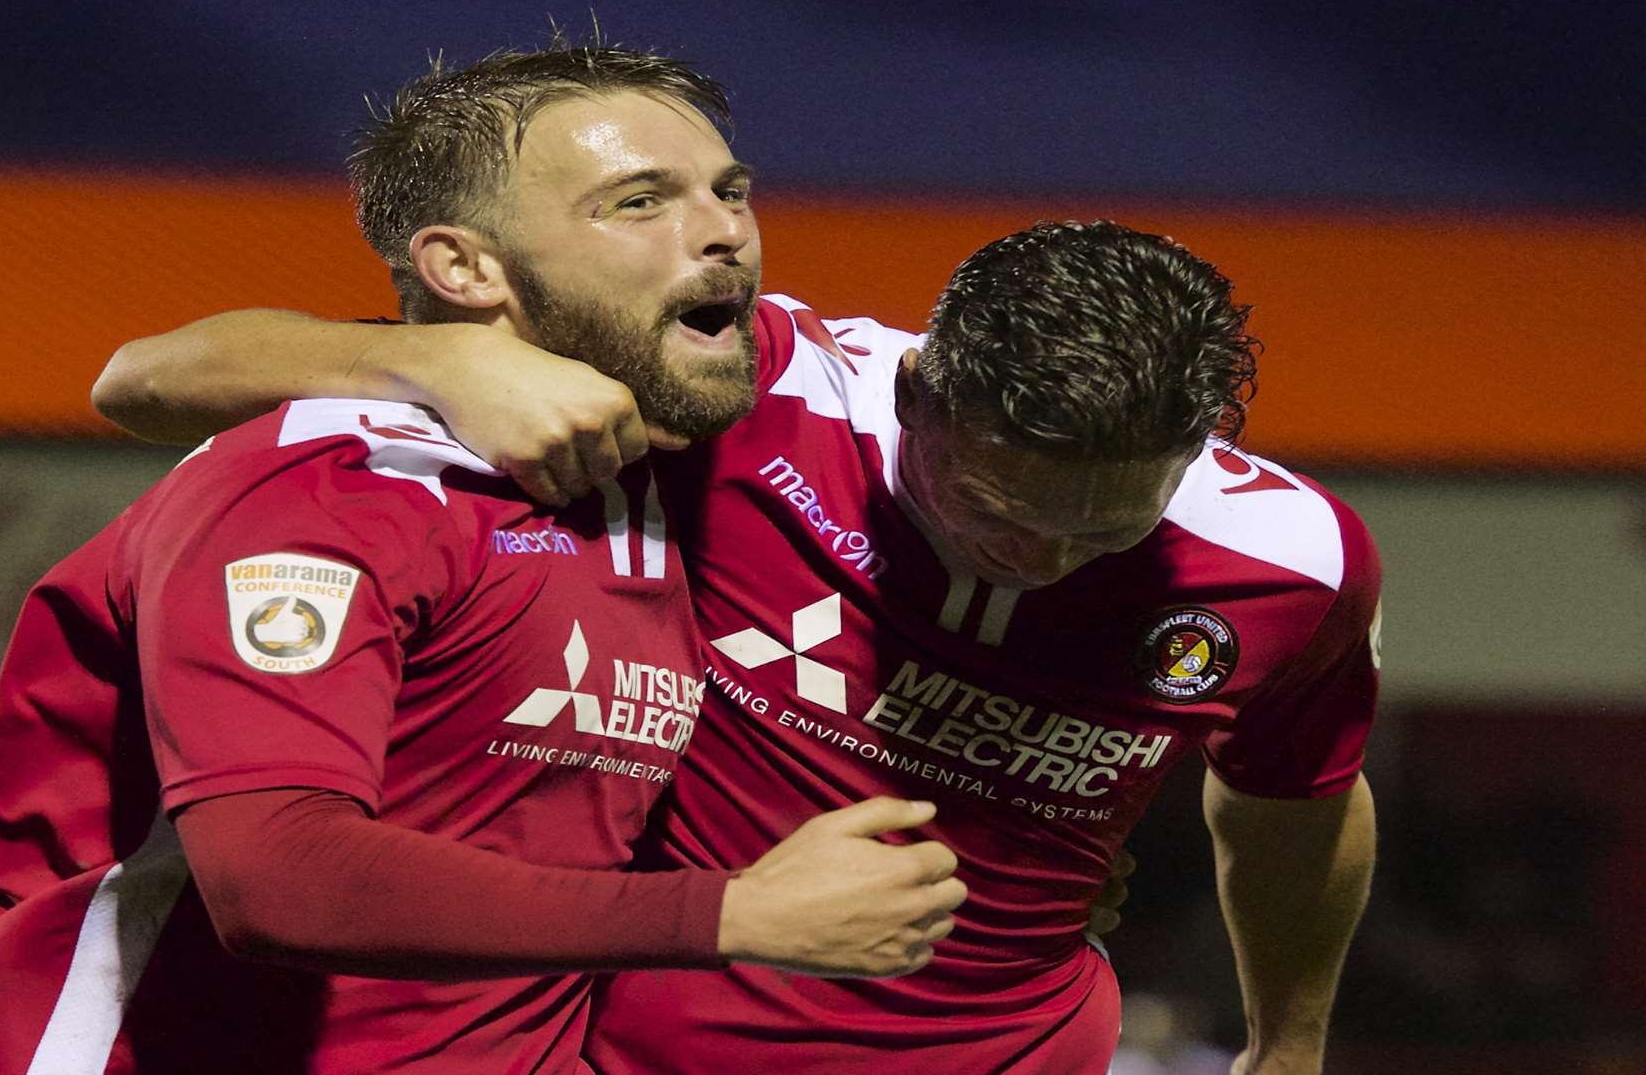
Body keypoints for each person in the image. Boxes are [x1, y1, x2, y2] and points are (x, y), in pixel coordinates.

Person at [100, 60, 1380, 1075]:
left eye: (1103, 532)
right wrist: (432, 360)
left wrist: (1289, 1046)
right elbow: (147, 377)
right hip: (625, 1047)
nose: (1041, 561)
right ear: (917, 391)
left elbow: (1296, 800)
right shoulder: (752, 390)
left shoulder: (1290, 563)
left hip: (1020, 1053)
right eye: (994, 512)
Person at [0, 47, 974, 1075]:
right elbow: (282, 880)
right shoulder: (332, 488)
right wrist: (737, 913)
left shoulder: (666, 473)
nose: (723, 232)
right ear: (466, 269)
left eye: (731, 192)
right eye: (637, 202)